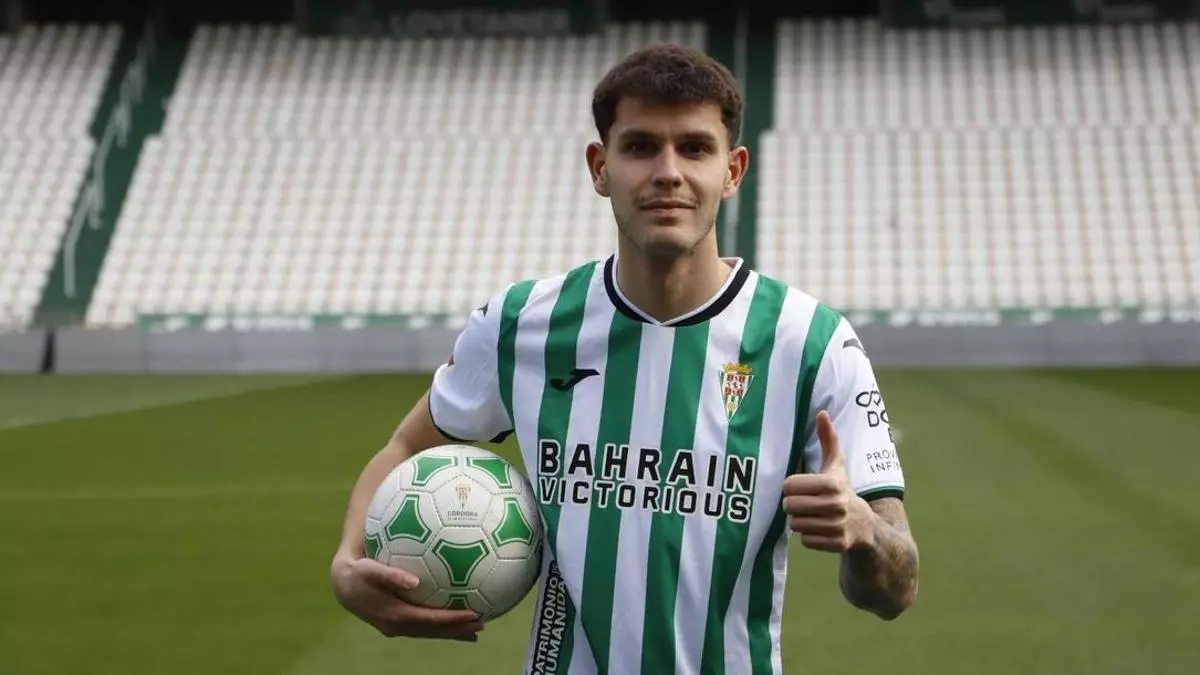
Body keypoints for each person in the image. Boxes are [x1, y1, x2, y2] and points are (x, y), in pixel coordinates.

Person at [330, 43, 919, 674]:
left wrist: (862, 531)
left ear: (733, 171)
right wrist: (346, 562)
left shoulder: (812, 343)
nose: (668, 172)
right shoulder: (522, 322)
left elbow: (897, 586)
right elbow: (406, 447)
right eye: (640, 147)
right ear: (600, 166)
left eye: (695, 148)